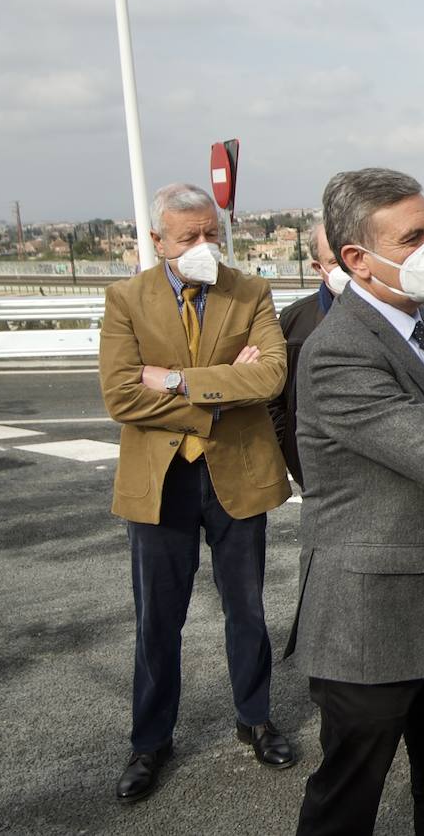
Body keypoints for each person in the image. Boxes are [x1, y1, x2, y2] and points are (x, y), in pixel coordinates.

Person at [286, 168, 424, 836]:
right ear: (356, 258)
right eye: (414, 237)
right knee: (347, 798)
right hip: (370, 623)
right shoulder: (340, 350)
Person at [98, 182, 296, 805]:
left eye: (212, 233)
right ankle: (150, 740)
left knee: (247, 608)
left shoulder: (251, 290)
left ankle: (255, 717)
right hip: (160, 483)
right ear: (158, 242)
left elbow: (269, 376)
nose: (205, 245)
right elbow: (120, 395)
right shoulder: (126, 299)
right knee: (159, 618)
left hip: (237, 475)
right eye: (189, 237)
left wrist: (180, 381)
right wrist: (219, 392)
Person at [269, 221, 424, 486]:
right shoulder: (298, 322)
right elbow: (279, 402)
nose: (350, 270)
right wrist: (298, 457)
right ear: (318, 267)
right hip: (345, 486)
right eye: (336, 262)